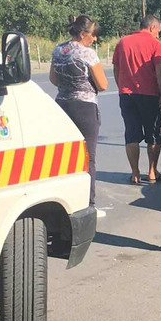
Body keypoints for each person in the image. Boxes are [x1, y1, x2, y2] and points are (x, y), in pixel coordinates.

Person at [50, 14, 108, 217]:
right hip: (84, 108)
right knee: (88, 157)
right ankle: (89, 205)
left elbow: (53, 79)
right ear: (83, 34)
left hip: (62, 105)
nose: (95, 39)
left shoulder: (58, 49)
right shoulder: (88, 54)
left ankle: (63, 204)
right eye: (92, 35)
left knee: (65, 156)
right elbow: (103, 84)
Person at [112, 15, 161, 185]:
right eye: (158, 31)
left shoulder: (123, 42)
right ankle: (152, 171)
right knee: (153, 134)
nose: (158, 35)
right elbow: (160, 71)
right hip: (150, 95)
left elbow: (116, 68)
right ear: (152, 27)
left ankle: (135, 173)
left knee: (131, 134)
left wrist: (122, 86)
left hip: (127, 95)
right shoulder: (155, 44)